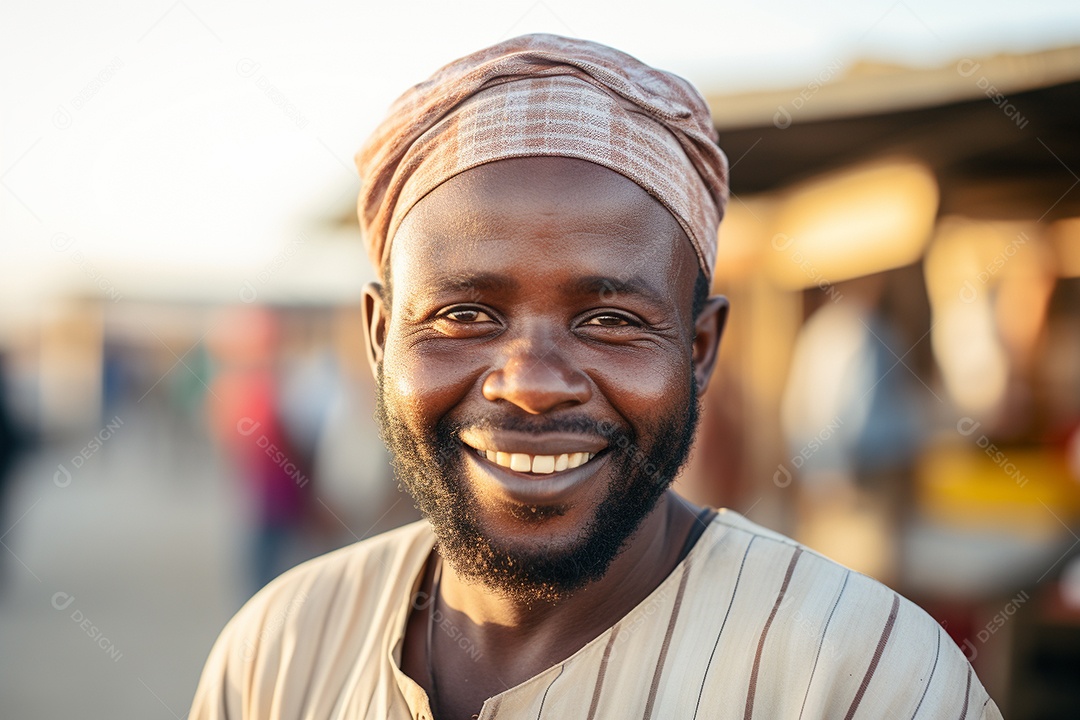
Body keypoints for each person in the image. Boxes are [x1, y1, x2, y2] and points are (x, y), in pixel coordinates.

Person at [189, 34, 1002, 719]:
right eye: (465, 315)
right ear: (378, 337)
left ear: (700, 348)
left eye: (610, 321)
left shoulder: (869, 681)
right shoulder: (277, 655)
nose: (532, 383)